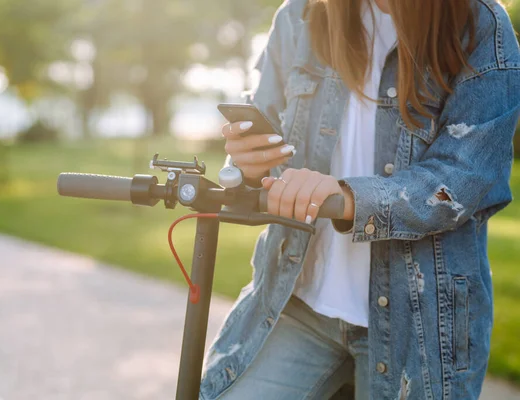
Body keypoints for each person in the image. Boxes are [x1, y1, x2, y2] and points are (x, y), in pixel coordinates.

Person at [200, 0, 520, 399]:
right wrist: (248, 165)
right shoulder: (299, 15)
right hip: (298, 302)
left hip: (418, 325)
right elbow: (263, 145)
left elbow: (461, 179)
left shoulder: (479, 24)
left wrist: (347, 197)